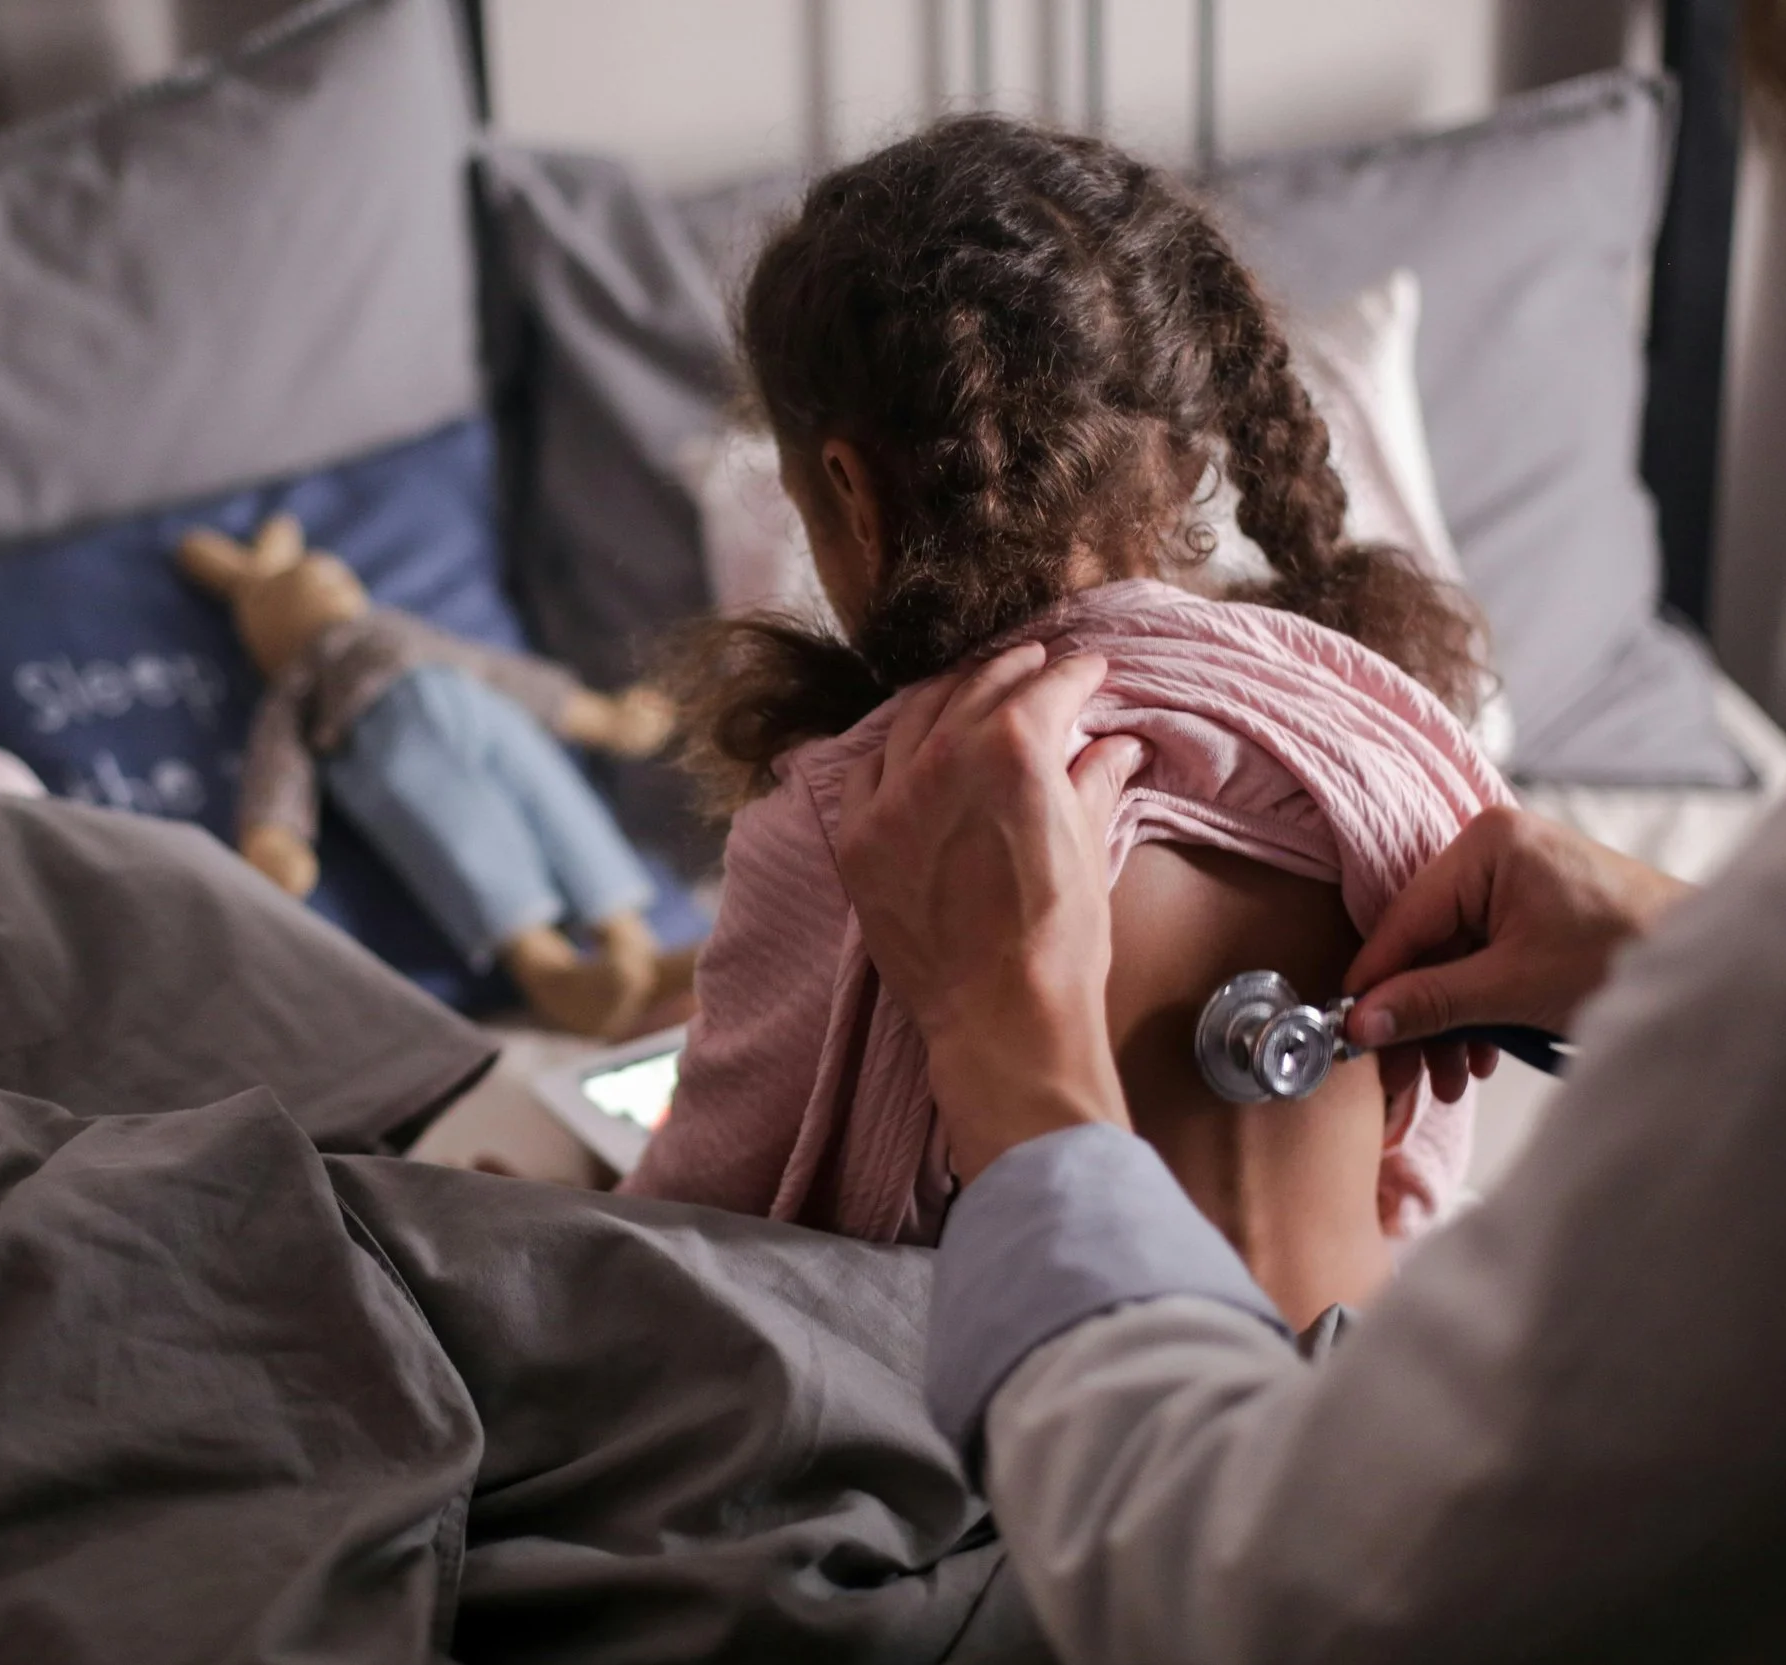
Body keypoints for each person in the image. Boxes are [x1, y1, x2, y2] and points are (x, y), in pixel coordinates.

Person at [834, 6, 1786, 1656]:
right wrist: (1698, 960)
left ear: (845, 500)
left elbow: (1264, 1601)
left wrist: (1020, 1071)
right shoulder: (1408, 752)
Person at [621, 116, 1513, 1325]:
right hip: (1364, 1406)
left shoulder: (863, 817)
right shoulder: (1379, 736)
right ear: (1180, 440)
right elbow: (1414, 1173)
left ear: (849, 493)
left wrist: (566, 1235)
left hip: (1058, 1462)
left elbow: (699, 1231)